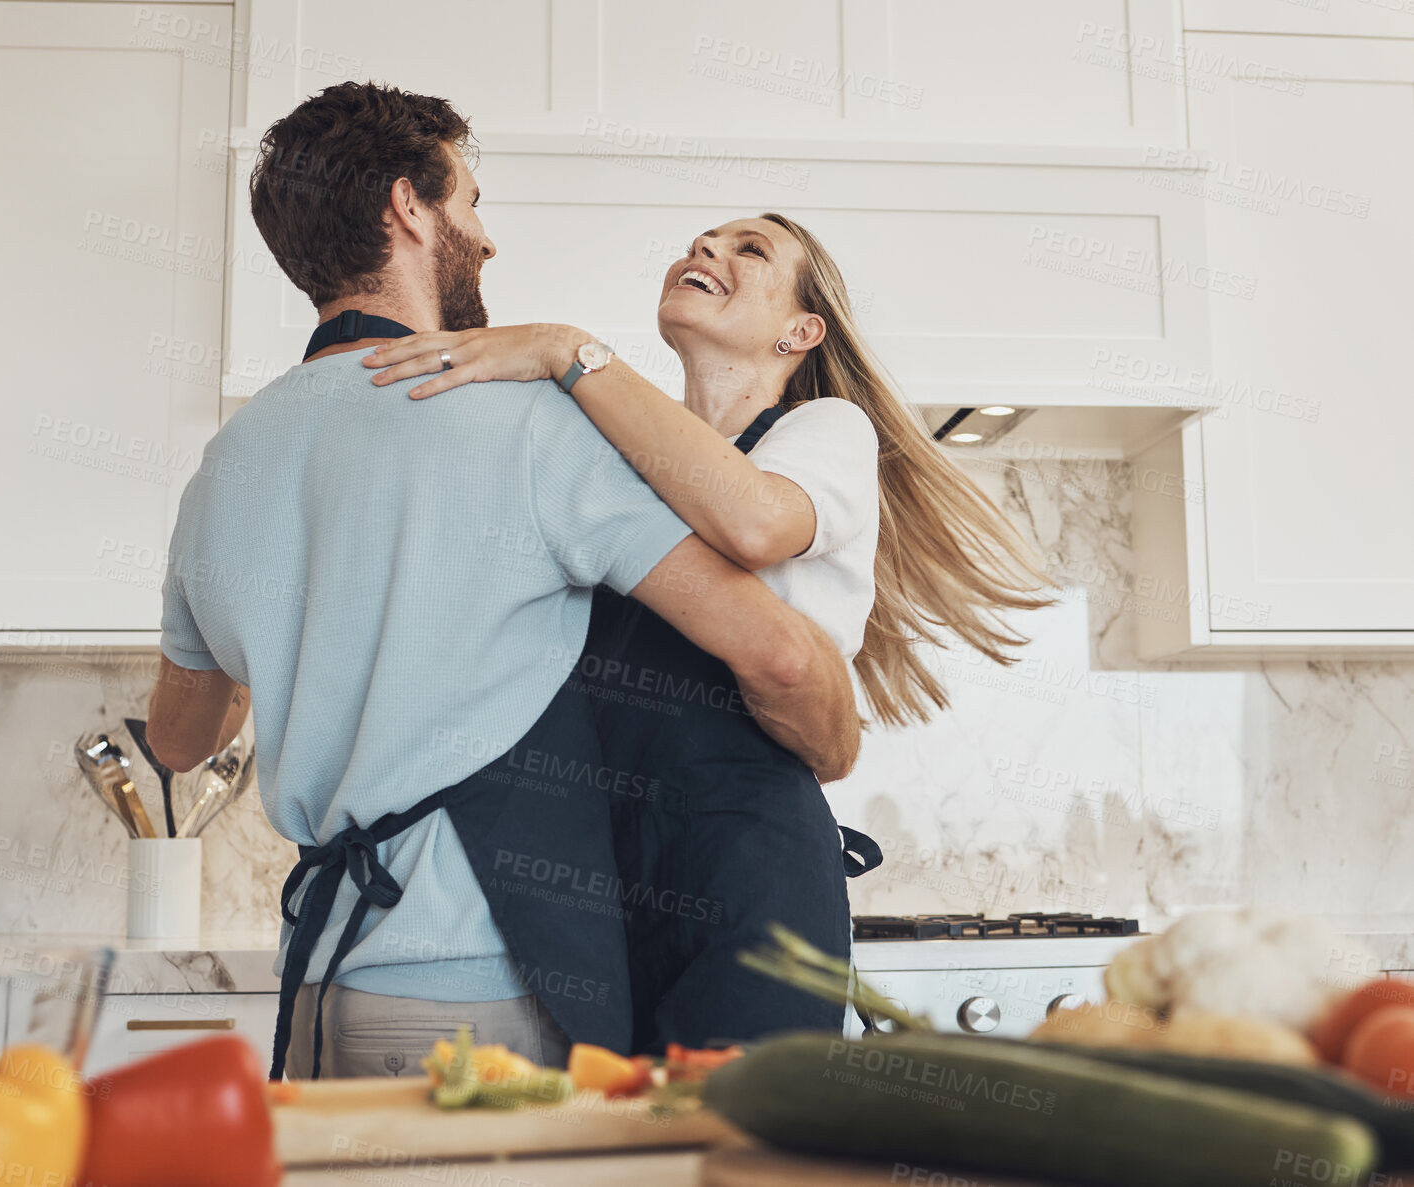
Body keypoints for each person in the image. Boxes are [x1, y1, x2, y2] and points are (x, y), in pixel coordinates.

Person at [144, 82, 858, 1079]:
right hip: (490, 976)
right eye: (470, 204)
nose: (484, 241)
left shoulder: (225, 463)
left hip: (321, 971)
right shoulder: (528, 425)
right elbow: (778, 650)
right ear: (409, 208)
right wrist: (834, 745)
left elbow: (181, 741)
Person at [362, 214, 1053, 1050]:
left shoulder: (822, 431)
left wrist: (564, 350)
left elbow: (755, 523)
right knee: (616, 1153)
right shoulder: (611, 460)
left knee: (734, 1158)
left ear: (802, 331)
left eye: (748, 249)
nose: (705, 250)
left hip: (747, 865)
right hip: (603, 872)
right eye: (700, 240)